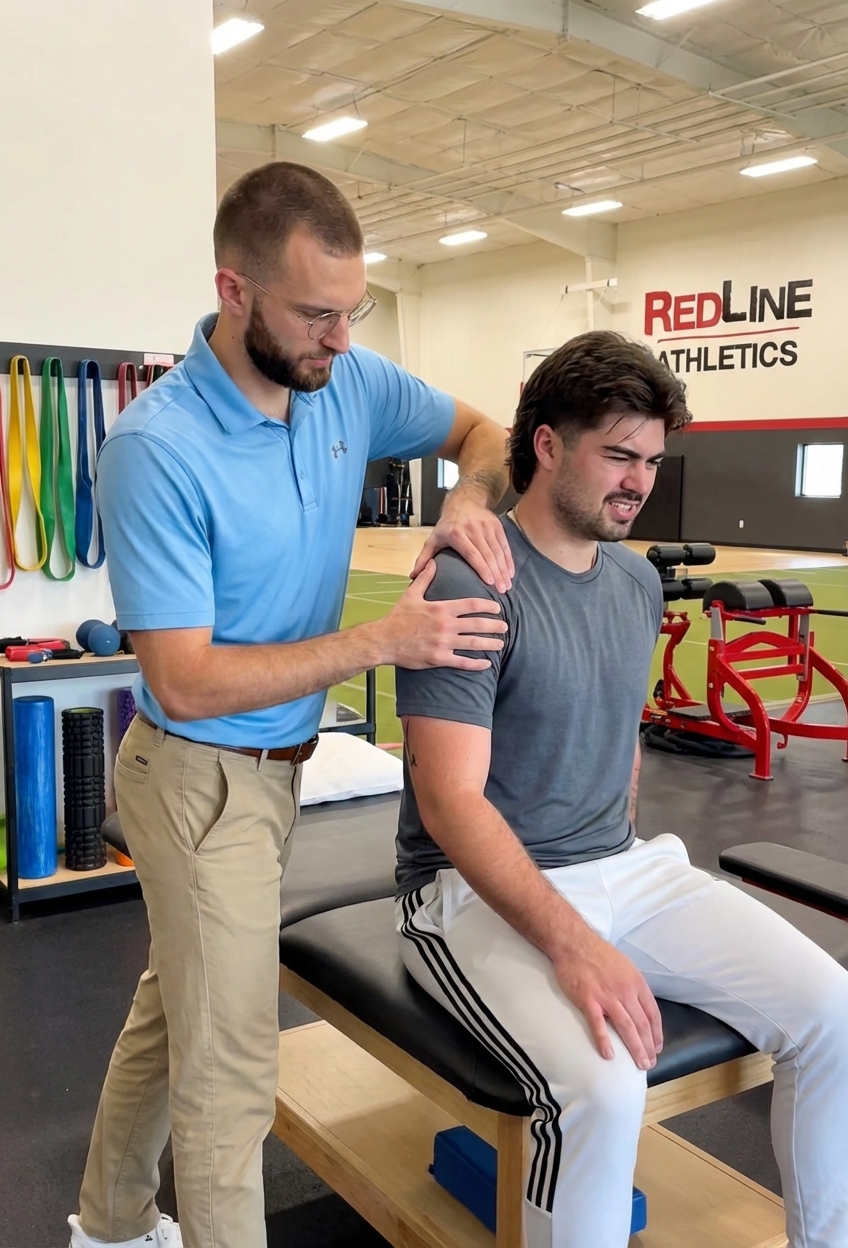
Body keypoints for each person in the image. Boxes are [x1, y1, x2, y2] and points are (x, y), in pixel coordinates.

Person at [68, 161, 514, 1248]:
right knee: (228, 1080)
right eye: (316, 314)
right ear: (235, 293)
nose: (341, 339)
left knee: (174, 1011)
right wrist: (381, 640)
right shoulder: (156, 449)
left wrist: (461, 505)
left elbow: (485, 434)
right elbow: (182, 679)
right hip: (196, 779)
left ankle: (110, 1224)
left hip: (277, 774)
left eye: (351, 310)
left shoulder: (344, 384)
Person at [395, 330, 848, 1248]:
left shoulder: (637, 583)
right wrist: (575, 944)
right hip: (463, 894)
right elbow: (449, 805)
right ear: (549, 443)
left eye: (650, 458)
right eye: (617, 453)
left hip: (625, 868)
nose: (639, 480)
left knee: (833, 1012)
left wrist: (617, 888)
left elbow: (616, 747)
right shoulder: (466, 583)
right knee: (602, 1086)